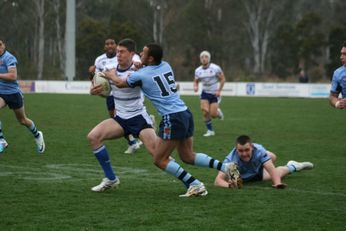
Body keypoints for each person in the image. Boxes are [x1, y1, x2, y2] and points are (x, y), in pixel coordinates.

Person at [104, 43, 239, 197]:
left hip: (172, 118)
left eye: (144, 52)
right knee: (188, 156)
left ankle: (195, 184)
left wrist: (111, 75)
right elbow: (150, 74)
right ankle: (226, 167)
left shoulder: (140, 74)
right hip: (185, 113)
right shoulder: (166, 65)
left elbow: (121, 83)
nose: (140, 53)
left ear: (151, 58)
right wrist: (141, 66)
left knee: (159, 159)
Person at [87, 38, 157, 192]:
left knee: (159, 156)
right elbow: (106, 89)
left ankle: (192, 182)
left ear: (132, 54)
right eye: (117, 51)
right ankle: (111, 179)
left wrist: (139, 66)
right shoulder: (109, 66)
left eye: (122, 52)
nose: (118, 54)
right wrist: (95, 90)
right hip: (121, 118)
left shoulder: (138, 67)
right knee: (93, 137)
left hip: (138, 117)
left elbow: (124, 79)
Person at [88, 38, 143, 154]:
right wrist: (94, 88)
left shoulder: (130, 57)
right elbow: (98, 77)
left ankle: (145, 126)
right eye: (107, 44)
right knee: (115, 118)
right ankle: (132, 142)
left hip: (130, 96)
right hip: (112, 93)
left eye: (112, 43)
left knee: (157, 152)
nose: (110, 46)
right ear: (104, 47)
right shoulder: (99, 60)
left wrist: (138, 65)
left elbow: (136, 63)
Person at [214, 135, 314, 189]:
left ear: (252, 147)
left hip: (257, 171)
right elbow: (218, 180)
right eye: (240, 151)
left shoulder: (258, 150)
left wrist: (277, 183)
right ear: (236, 149)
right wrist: (229, 185)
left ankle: (293, 166)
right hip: (243, 177)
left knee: (275, 169)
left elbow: (271, 169)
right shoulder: (231, 159)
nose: (244, 153)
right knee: (236, 180)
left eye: (247, 150)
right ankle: (270, 159)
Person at [0, 38, 45, 153]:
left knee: (22, 120)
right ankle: (1, 140)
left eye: (0, 45)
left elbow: (13, 76)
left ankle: (37, 135)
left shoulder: (9, 58)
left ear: (4, 45)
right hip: (1, 93)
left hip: (13, 94)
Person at [194, 50, 225, 137]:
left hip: (214, 93)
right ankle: (210, 130)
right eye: (202, 57)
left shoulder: (215, 68)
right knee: (205, 111)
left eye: (206, 57)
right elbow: (196, 81)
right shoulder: (198, 70)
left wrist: (219, 90)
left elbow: (222, 79)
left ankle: (218, 113)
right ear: (200, 59)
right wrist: (195, 86)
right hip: (205, 93)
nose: (204, 59)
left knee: (213, 114)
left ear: (209, 59)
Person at [329, 41, 346, 109]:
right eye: (341, 54)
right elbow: (332, 96)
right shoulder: (338, 73)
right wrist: (337, 103)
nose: (341, 57)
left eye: (345, 54)